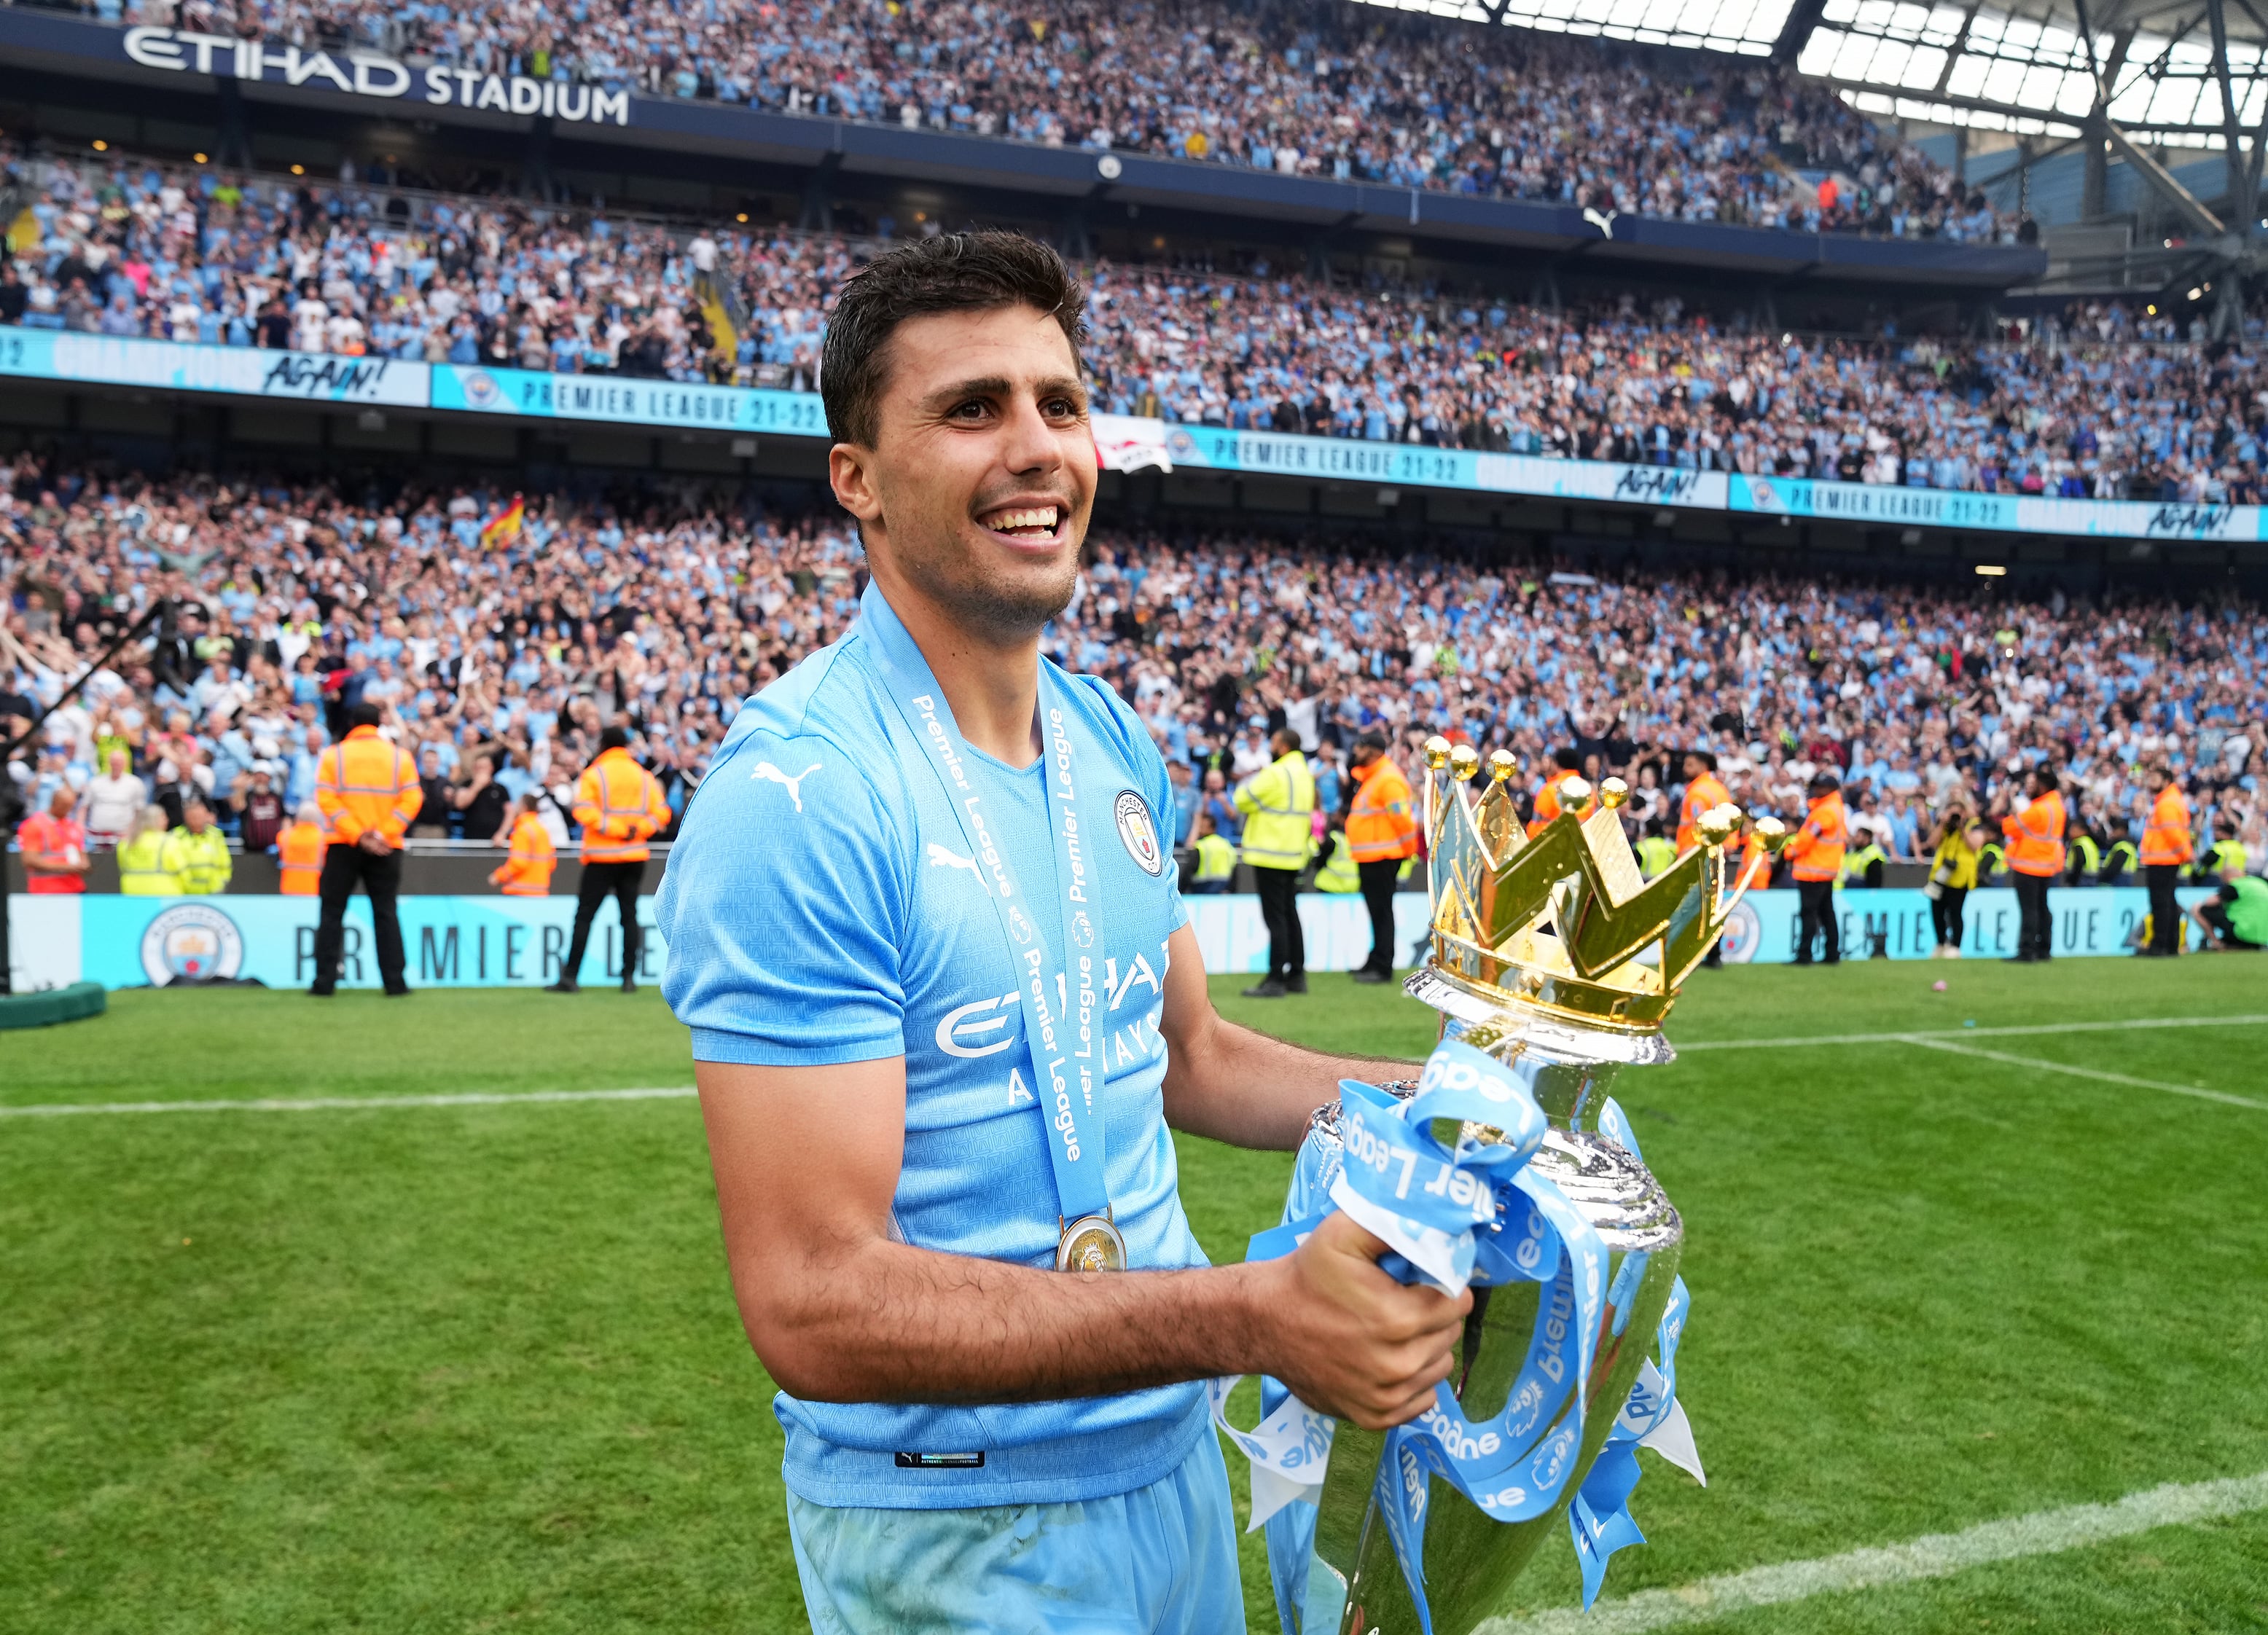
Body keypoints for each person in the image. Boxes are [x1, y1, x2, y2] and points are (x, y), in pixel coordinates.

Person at [654, 232, 1466, 1635]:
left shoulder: (1111, 740)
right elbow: (811, 1294)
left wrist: (1463, 1107)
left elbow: (1189, 1054)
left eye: (1060, 402)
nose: (1035, 446)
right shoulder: (801, 795)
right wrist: (1251, 1313)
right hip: (952, 1512)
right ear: (857, 477)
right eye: (972, 408)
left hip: (1168, 1468)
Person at [311, 701, 422, 997]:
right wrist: (383, 834)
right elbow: (412, 799)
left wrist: (358, 835)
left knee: (332, 913)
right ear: (380, 723)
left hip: (343, 844)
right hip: (387, 846)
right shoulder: (400, 757)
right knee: (386, 912)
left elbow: (325, 798)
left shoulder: (334, 756)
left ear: (352, 723)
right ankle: (395, 983)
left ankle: (324, 983)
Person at [549, 725, 670, 993]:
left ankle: (570, 977)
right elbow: (661, 813)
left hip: (601, 857)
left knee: (585, 917)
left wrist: (614, 830)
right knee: (629, 916)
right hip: (634, 856)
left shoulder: (595, 774)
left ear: (603, 744)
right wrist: (636, 830)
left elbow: (582, 811)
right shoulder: (643, 776)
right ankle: (628, 978)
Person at [1234, 726, 1316, 997]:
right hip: (1294, 853)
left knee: (1276, 919)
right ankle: (1297, 976)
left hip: (1269, 853)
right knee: (1290, 914)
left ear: (1282, 746)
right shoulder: (1305, 773)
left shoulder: (1275, 772)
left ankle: (1275, 980)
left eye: (1274, 741)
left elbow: (1242, 799)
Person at [1345, 732, 1418, 984]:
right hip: (1372, 856)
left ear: (1373, 751)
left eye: (1361, 747)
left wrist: (1409, 849)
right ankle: (1375, 960)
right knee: (1377, 911)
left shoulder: (1387, 780)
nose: (1356, 751)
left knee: (1382, 911)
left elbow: (1402, 818)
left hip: (1383, 856)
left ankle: (1382, 966)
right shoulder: (1376, 778)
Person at [1997, 763, 2065, 962]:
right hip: (2046, 864)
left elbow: (2009, 827)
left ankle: (2026, 950)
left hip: (2029, 864)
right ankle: (2044, 948)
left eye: (2033, 784)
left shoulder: (2039, 809)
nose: (2029, 788)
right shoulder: (2056, 806)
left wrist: (2013, 813)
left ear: (2042, 787)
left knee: (2030, 910)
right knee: (2042, 907)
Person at [1785, 770, 1847, 965]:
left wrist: (1791, 851)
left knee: (1809, 912)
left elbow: (1807, 839)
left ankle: (1805, 954)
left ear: (1830, 789)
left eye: (1820, 786)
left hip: (1814, 869)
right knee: (1826, 912)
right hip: (1823, 868)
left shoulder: (1826, 811)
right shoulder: (1831, 808)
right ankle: (1831, 953)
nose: (1816, 790)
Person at [2138, 764, 2191, 957]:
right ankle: (2170, 944)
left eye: (2154, 779)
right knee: (2168, 901)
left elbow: (2173, 833)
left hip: (2163, 859)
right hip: (2167, 858)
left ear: (2166, 781)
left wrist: (2185, 854)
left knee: (2161, 903)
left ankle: (2159, 945)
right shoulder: (2170, 800)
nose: (2150, 783)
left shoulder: (2167, 803)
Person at [1925, 805, 1985, 957]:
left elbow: (1975, 845)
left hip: (1960, 877)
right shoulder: (1944, 827)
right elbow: (1932, 843)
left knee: (1955, 912)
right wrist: (1942, 824)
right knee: (1937, 911)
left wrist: (1962, 829)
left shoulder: (1974, 825)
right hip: (1940, 876)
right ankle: (1940, 943)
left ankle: (1955, 946)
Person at [17, 785, 90, 894]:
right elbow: (29, 860)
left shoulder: (72, 825)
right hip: (46, 890)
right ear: (55, 803)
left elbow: (81, 852)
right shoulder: (34, 825)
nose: (68, 810)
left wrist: (84, 865)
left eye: (71, 806)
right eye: (65, 806)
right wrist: (66, 868)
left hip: (75, 889)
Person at [2189, 855, 2268, 951]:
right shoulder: (2260, 883)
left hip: (2243, 930)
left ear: (2226, 877)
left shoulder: (2236, 885)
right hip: (2263, 934)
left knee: (2198, 908)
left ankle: (2216, 942)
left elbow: (2210, 902)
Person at [490, 791, 558, 895]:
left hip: (520, 892)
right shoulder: (543, 830)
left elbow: (518, 863)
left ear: (524, 807)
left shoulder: (522, 831)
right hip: (540, 891)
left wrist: (498, 876)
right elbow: (551, 863)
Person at [162, 797, 233, 894]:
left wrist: (221, 883)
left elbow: (225, 863)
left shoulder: (216, 835)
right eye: (193, 817)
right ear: (186, 817)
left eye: (199, 816)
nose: (196, 820)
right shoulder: (175, 836)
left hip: (213, 892)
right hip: (182, 893)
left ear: (206, 816)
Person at [82, 745, 146, 847]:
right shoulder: (96, 782)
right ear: (109, 763)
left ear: (126, 763)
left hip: (122, 837)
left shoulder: (135, 783)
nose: (116, 765)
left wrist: (131, 832)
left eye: (119, 762)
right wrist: (80, 828)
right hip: (96, 837)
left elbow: (139, 812)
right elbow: (84, 807)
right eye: (114, 762)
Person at [1673, 750, 1731, 852]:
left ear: (1703, 766)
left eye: (1690, 765)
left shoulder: (1698, 792)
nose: (1684, 769)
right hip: (1717, 849)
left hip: (1695, 852)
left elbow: (1698, 824)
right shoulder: (1720, 788)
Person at [1527, 747, 1589, 837]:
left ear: (1556, 765)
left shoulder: (1550, 789)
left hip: (1554, 845)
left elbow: (1536, 828)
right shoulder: (1589, 791)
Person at [117, 806, 179, 894]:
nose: (167, 821)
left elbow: (122, 868)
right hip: (165, 894)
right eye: (164, 818)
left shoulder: (124, 844)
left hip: (131, 892)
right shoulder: (170, 842)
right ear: (155, 820)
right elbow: (181, 870)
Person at [275, 801, 326, 895]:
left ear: (298, 817)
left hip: (289, 888)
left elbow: (279, 840)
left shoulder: (285, 836)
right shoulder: (323, 838)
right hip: (313, 888)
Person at [1188, 809, 1237, 893]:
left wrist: (1182, 890)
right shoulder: (1226, 845)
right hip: (1223, 889)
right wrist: (1231, 890)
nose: (1200, 830)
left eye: (1202, 827)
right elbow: (1235, 871)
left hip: (1201, 890)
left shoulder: (1200, 846)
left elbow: (1189, 871)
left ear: (1212, 828)